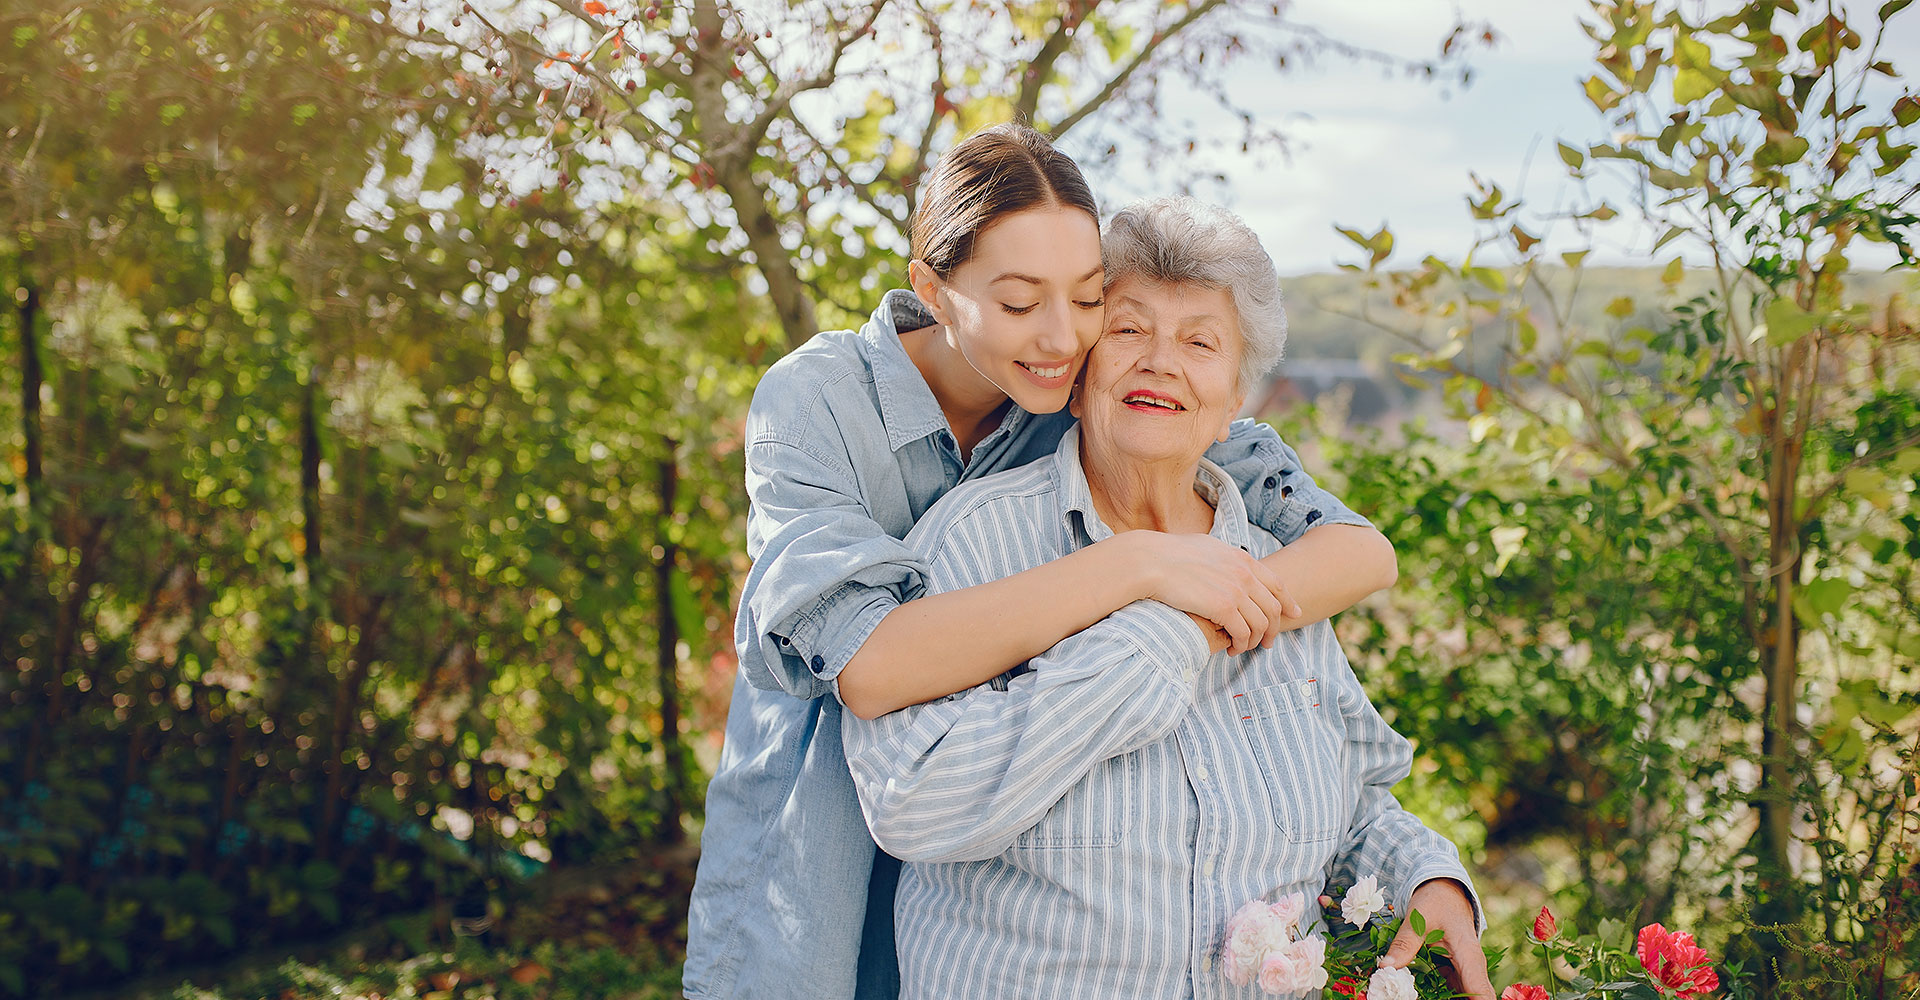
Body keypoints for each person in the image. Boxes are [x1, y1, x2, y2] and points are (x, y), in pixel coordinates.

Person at [683, 127, 1400, 1000]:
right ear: (933, 292)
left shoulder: (1079, 389)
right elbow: (869, 670)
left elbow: (1358, 550)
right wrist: (1140, 566)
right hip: (822, 843)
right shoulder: (817, 402)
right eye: (1021, 303)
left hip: (984, 868)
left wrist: (1207, 612)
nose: (1063, 337)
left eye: (1090, 299)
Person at [843, 196, 1494, 1000]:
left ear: (1232, 407)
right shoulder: (972, 545)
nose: (1161, 361)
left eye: (1199, 342)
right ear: (1077, 378)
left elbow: (1353, 805)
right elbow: (913, 804)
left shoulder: (1277, 570)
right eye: (1129, 330)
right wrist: (1172, 631)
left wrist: (1430, 880)